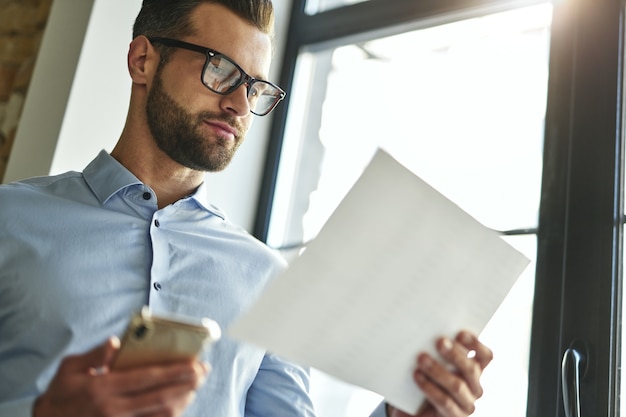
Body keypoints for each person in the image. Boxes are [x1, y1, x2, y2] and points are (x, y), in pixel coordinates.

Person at [0, 1, 493, 416]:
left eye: (255, 87)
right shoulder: (10, 220)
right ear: (142, 60)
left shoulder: (268, 279)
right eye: (219, 69)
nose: (239, 103)